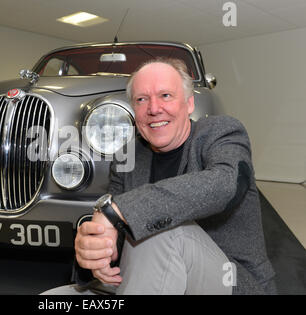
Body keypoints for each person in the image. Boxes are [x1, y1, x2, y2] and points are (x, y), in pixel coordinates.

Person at [41, 57, 276, 295]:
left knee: (162, 230)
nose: (153, 109)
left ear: (189, 103)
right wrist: (95, 252)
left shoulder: (221, 132)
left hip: (226, 282)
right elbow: (119, 238)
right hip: (147, 280)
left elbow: (226, 183)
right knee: (53, 298)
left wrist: (118, 210)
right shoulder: (127, 156)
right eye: (142, 100)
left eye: (165, 96)